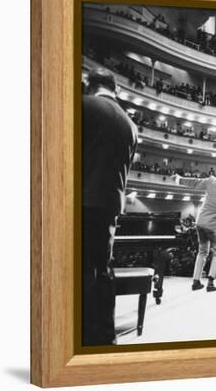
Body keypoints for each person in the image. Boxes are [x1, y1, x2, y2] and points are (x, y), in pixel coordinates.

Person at [81, 68, 138, 345]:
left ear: (90, 85)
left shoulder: (85, 105)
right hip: (109, 205)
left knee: (77, 270)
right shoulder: (130, 124)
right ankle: (104, 336)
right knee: (100, 270)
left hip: (80, 199)